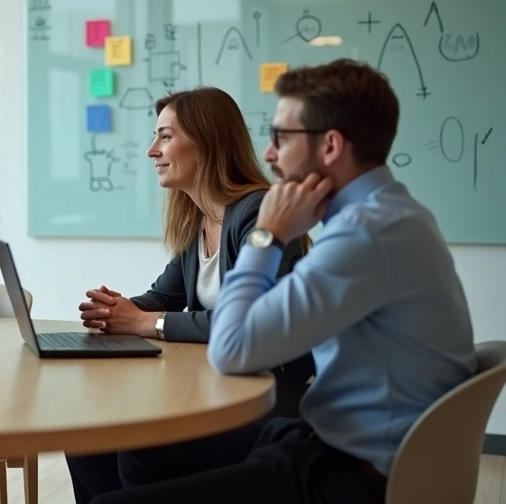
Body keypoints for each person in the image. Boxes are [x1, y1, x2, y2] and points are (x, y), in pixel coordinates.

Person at [93, 59, 477, 504]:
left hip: (352, 469)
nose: (270, 154)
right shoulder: (391, 214)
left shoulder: (364, 235)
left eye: (281, 138)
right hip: (329, 438)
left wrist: (267, 235)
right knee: (124, 456)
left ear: (330, 145)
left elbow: (233, 348)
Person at [67, 87, 313, 502]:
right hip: (216, 391)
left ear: (208, 140)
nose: (151, 151)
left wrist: (144, 322)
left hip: (265, 407)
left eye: (165, 136)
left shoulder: (258, 212)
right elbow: (162, 297)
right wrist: (116, 310)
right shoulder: (198, 220)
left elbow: (250, 324)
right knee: (86, 437)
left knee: (138, 454)